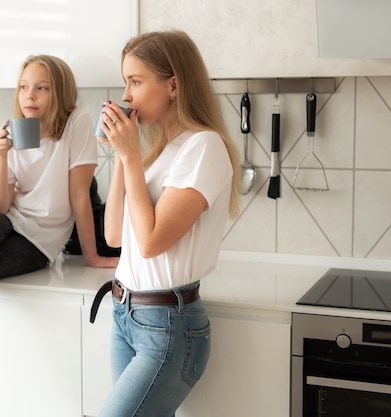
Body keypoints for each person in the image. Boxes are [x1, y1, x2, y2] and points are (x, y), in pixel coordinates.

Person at [0, 54, 118, 406]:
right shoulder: (15, 129)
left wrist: (92, 256)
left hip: (38, 237)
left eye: (41, 88)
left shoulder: (76, 123)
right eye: (24, 87)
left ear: (58, 92)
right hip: (1, 218)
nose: (30, 95)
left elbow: (79, 194)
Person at [95, 30, 240, 417]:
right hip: (126, 315)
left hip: (167, 325)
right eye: (126, 82)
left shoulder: (204, 147)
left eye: (136, 81)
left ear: (173, 85)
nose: (126, 95)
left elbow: (152, 241)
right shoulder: (162, 153)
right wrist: (121, 159)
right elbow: (113, 237)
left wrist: (130, 158)